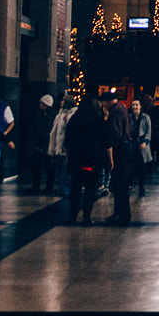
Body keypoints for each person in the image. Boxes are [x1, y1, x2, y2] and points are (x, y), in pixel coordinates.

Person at [64, 92, 113, 225]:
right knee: (90, 189)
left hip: (77, 159)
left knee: (76, 188)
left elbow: (67, 141)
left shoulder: (75, 119)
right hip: (94, 159)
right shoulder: (99, 120)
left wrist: (68, 157)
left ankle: (72, 216)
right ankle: (86, 217)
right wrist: (110, 159)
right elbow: (107, 141)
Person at [101, 91, 134, 225]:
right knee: (122, 185)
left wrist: (111, 154)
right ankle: (119, 214)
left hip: (120, 152)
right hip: (126, 148)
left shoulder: (114, 112)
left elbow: (115, 133)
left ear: (108, 101)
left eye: (103, 102)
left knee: (120, 185)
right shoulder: (122, 108)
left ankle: (122, 216)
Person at [47, 92, 76, 197]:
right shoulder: (59, 115)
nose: (61, 102)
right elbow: (54, 132)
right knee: (59, 169)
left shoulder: (72, 115)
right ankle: (63, 188)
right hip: (57, 147)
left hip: (65, 147)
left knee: (65, 170)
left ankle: (67, 189)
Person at [28, 94, 56, 194]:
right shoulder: (39, 114)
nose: (40, 105)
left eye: (42, 103)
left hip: (47, 143)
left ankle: (49, 187)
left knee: (49, 167)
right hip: (38, 142)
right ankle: (36, 186)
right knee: (36, 166)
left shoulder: (52, 115)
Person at [131, 97, 154, 198]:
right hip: (132, 144)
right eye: (133, 105)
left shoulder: (146, 117)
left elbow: (149, 131)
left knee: (141, 168)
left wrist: (145, 142)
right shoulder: (129, 117)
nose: (135, 107)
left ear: (140, 106)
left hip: (142, 145)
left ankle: (141, 187)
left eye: (136, 105)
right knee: (132, 166)